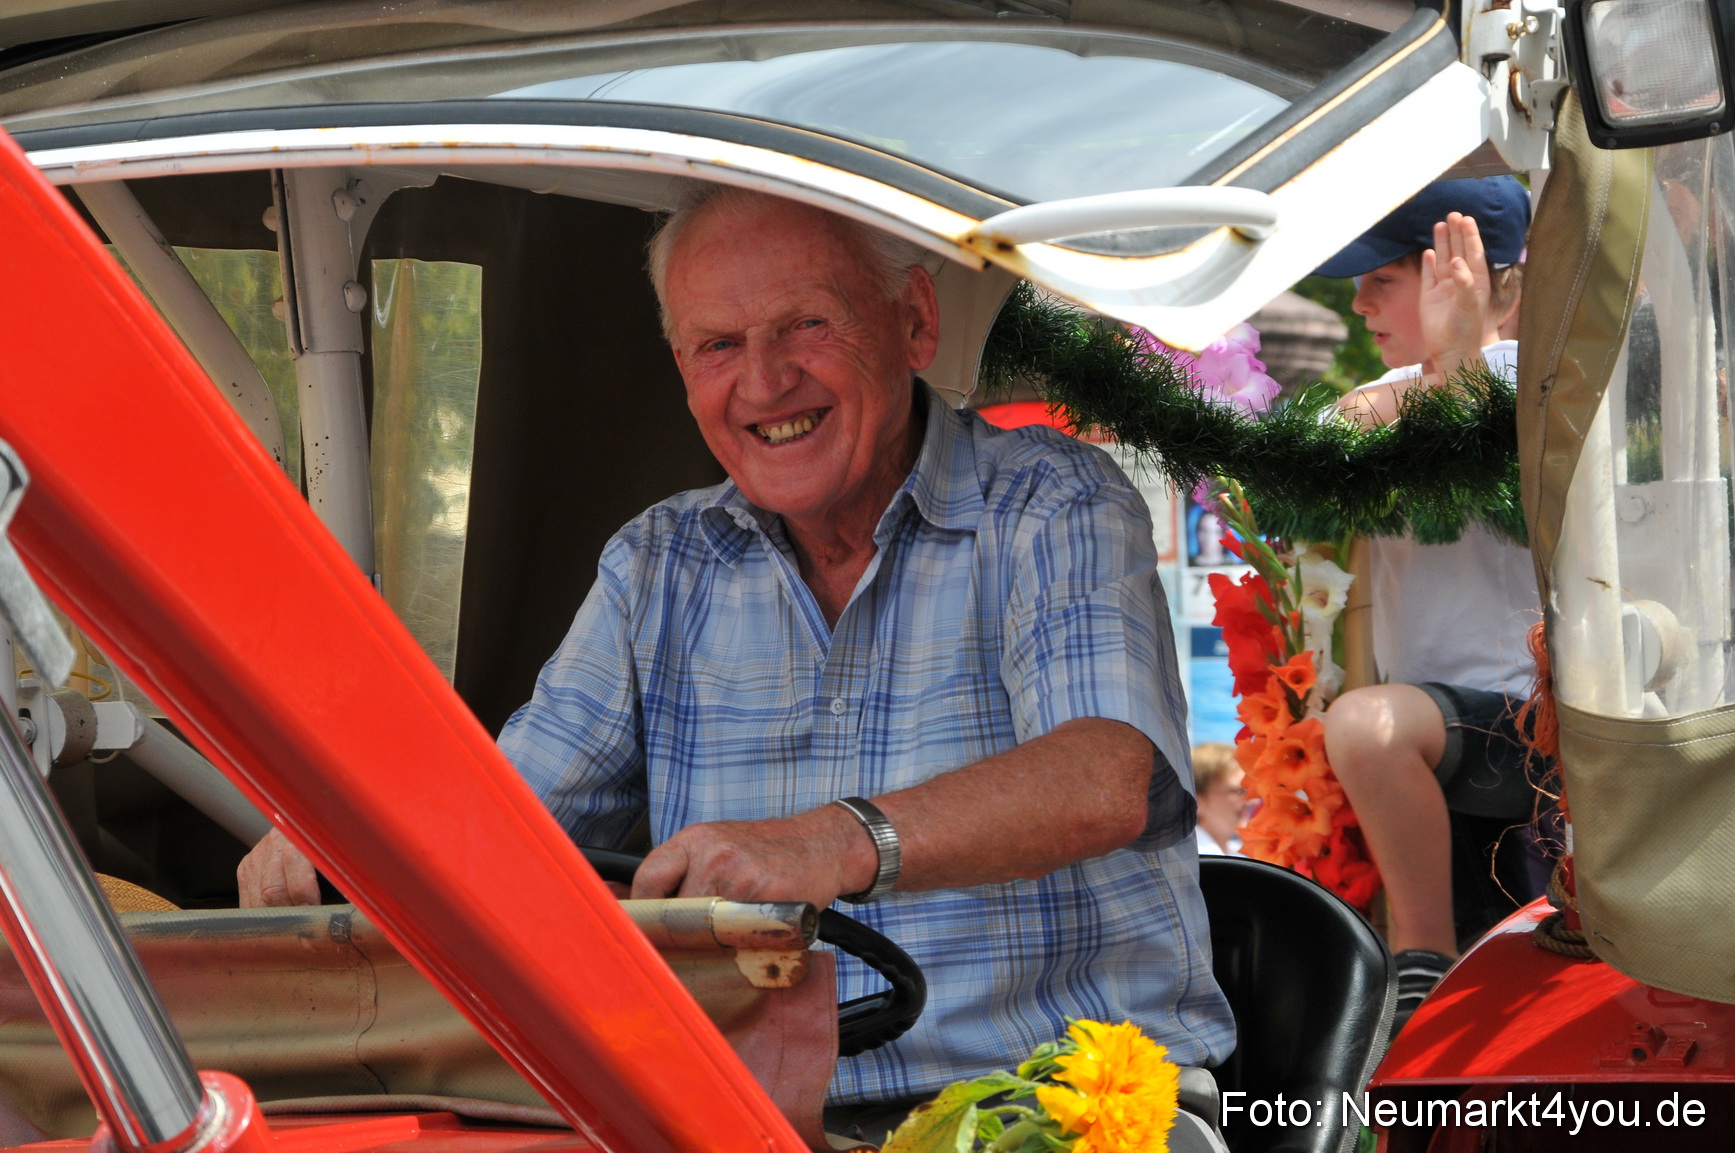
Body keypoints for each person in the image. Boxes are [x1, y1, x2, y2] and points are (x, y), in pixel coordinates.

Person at [240, 186, 1233, 1145]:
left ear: (914, 323)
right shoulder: (658, 563)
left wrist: (834, 842)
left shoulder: (1050, 503)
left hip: (1060, 1106)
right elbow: (509, 818)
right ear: (681, 366)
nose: (762, 384)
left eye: (805, 326)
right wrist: (356, 837)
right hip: (746, 1120)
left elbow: (1107, 775)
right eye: (719, 345)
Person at [1315, 177, 1543, 1027]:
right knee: (1367, 727)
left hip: (1550, 730)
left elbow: (1511, 482)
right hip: (1436, 744)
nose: (1357, 299)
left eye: (1383, 277)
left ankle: (1423, 952)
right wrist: (1442, 370)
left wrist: (1459, 363)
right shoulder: (1374, 403)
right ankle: (1421, 960)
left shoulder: (1551, 384)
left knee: (1365, 725)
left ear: (1466, 274)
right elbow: (1330, 467)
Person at [1191, 743, 1246, 855]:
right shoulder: (1193, 858)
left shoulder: (1236, 854)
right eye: (1238, 791)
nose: (1252, 800)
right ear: (1197, 802)